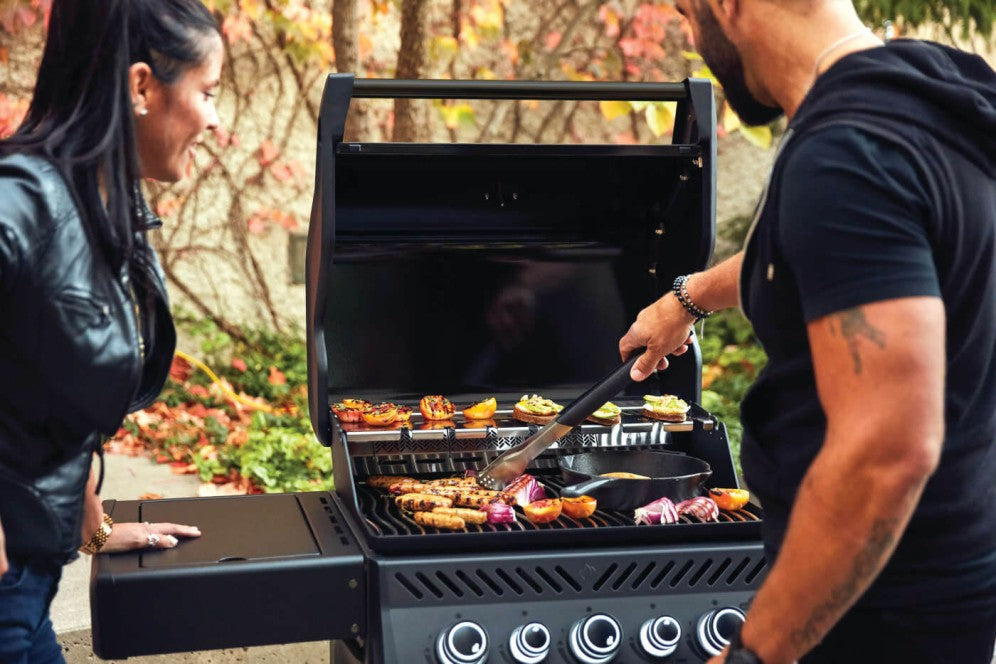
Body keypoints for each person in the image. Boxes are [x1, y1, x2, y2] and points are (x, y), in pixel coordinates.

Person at [619, 1, 996, 662]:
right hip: (951, 583)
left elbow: (888, 452)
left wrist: (757, 653)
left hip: (875, 615)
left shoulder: (846, 157)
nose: (688, 34)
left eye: (687, 12)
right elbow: (838, 253)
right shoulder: (936, 92)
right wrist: (689, 297)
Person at [0, 0, 223, 661]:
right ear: (141, 86)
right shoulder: (24, 199)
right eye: (208, 92)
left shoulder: (102, 203)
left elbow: (36, 385)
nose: (214, 118)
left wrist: (92, 525)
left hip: (32, 581)